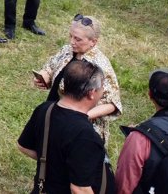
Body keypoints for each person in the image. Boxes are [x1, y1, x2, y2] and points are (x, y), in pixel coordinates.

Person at [18, 59, 116, 194]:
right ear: (92, 92)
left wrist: (53, 163)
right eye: (102, 87)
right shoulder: (86, 136)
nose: (103, 90)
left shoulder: (45, 109)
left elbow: (23, 146)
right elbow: (79, 189)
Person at [32, 14, 123, 145]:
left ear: (93, 41)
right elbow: (51, 67)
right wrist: (44, 76)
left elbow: (113, 104)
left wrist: (81, 117)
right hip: (57, 116)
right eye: (71, 36)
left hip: (81, 130)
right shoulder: (67, 50)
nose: (72, 42)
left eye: (78, 39)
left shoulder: (100, 66)